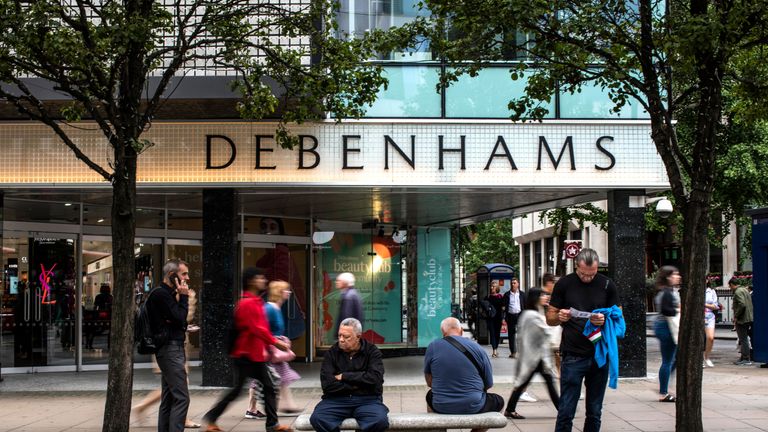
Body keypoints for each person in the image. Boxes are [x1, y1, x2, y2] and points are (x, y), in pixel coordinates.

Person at [202, 268, 291, 432]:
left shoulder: (255, 301)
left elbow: (260, 328)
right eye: (260, 277)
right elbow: (257, 328)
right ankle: (272, 424)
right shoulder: (248, 303)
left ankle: (212, 418)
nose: (264, 280)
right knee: (263, 387)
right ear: (251, 281)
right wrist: (276, 343)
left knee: (258, 388)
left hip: (252, 354)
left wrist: (268, 347)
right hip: (246, 355)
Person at [545, 248, 620, 432]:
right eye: (583, 274)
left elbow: (619, 319)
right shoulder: (564, 284)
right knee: (566, 410)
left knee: (594, 411)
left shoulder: (607, 284)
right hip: (572, 355)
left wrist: (604, 319)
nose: (587, 278)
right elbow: (550, 318)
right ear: (576, 266)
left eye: (592, 274)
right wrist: (560, 317)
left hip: (599, 355)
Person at [309, 317, 389, 432]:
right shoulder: (332, 353)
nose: (341, 340)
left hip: (367, 400)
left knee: (379, 421)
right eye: (339, 335)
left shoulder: (372, 351)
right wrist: (359, 384)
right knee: (318, 419)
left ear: (358, 337)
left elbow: (375, 379)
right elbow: (327, 385)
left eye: (346, 337)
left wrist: (344, 376)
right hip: (336, 400)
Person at [424, 317, 504, 421]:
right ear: (461, 330)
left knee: (430, 395)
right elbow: (489, 384)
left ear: (443, 332)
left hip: (441, 405)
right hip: (474, 405)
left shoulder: (433, 347)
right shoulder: (477, 348)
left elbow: (430, 383)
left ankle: (436, 427)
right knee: (500, 402)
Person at [246, 280, 302, 418]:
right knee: (260, 379)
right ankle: (251, 409)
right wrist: (270, 345)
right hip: (269, 350)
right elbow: (261, 328)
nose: (289, 292)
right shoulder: (270, 308)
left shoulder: (277, 307)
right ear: (280, 292)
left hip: (274, 349)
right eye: (286, 290)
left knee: (281, 377)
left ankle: (288, 405)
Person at [147, 259, 191, 432]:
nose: (187, 278)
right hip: (170, 350)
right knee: (182, 398)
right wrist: (185, 297)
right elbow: (180, 317)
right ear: (172, 276)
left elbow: (177, 320)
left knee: (170, 398)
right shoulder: (161, 294)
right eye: (184, 274)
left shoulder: (167, 294)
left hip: (172, 348)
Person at [504, 288, 559, 420]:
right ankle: (563, 409)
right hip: (533, 357)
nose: (545, 297)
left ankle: (510, 409)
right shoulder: (531, 315)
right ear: (535, 298)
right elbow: (546, 331)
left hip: (537, 356)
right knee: (527, 382)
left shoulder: (534, 313)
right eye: (542, 295)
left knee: (526, 382)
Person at [653, 266, 681, 402]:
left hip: (665, 326)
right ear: (668, 277)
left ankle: (664, 384)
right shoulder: (666, 292)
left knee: (673, 359)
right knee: (668, 360)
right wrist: (679, 309)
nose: (678, 276)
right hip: (666, 327)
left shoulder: (668, 291)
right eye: (675, 274)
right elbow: (667, 310)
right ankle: (663, 392)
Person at [731, 277, 754, 365]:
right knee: (744, 339)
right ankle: (743, 357)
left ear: (732, 284)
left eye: (730, 287)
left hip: (742, 319)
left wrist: (736, 315)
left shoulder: (738, 292)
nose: (730, 289)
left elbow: (742, 304)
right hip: (748, 318)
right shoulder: (745, 290)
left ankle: (746, 358)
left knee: (743, 339)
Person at [502, 278, 525, 358]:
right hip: (510, 316)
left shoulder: (522, 294)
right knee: (511, 335)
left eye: (514, 283)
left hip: (520, 315)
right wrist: (504, 317)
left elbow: (525, 305)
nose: (513, 284)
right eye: (512, 283)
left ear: (518, 284)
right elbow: (503, 306)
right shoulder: (507, 295)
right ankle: (513, 352)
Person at [334, 272, 363, 337]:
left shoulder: (348, 297)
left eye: (339, 281)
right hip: (353, 334)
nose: (336, 282)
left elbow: (346, 317)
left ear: (345, 283)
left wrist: (341, 334)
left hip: (348, 335)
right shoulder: (353, 294)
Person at [484, 282, 504, 358]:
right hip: (490, 318)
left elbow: (502, 309)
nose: (492, 288)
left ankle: (496, 348)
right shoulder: (488, 297)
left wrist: (503, 318)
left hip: (498, 318)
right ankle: (494, 350)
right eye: (491, 286)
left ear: (497, 288)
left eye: (493, 286)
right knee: (492, 333)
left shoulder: (500, 297)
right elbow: (484, 306)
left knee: (497, 334)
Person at [703, 283, 719, 368]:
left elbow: (716, 306)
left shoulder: (711, 291)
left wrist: (704, 304)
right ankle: (700, 359)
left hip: (709, 316)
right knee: (700, 339)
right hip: (698, 316)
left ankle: (707, 357)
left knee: (710, 337)